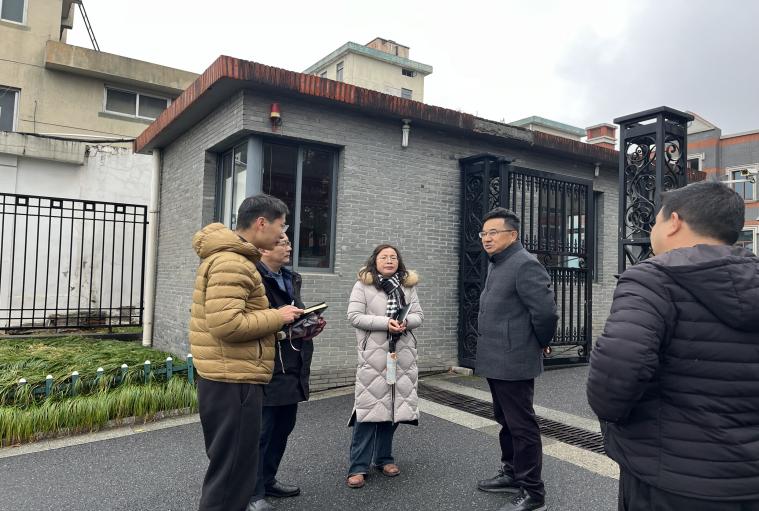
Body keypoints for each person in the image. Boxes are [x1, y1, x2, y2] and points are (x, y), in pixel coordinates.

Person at [587, 181, 759, 511]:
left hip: (672, 478)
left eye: (656, 221)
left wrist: (614, 423)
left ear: (674, 221)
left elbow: (617, 370)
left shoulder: (652, 279)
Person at [189, 194, 303, 511]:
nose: (283, 234)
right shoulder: (233, 262)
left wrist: (280, 330)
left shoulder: (233, 258)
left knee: (232, 470)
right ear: (261, 223)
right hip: (233, 381)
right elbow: (226, 324)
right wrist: (277, 316)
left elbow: (233, 320)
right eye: (281, 226)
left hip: (229, 377)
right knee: (231, 475)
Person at [475, 208, 558, 511]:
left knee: (522, 426)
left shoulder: (525, 264)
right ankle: (512, 472)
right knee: (505, 420)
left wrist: (542, 342)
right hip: (496, 358)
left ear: (512, 234)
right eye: (484, 233)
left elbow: (546, 313)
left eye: (493, 233)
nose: (487, 238)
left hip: (514, 358)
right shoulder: (499, 263)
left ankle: (533, 492)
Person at [247, 234, 326, 511]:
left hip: (293, 362)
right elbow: (247, 320)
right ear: (263, 248)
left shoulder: (291, 277)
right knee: (261, 432)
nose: (289, 247)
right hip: (266, 364)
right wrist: (278, 316)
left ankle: (268, 481)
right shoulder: (253, 277)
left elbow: (291, 317)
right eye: (282, 242)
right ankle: (252, 493)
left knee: (283, 427)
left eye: (289, 242)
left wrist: (308, 322)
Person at [345, 244, 424, 489]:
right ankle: (358, 466)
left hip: (402, 355)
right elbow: (354, 316)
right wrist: (385, 322)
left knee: (393, 407)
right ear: (375, 261)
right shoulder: (363, 285)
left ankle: (383, 458)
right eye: (384, 257)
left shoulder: (408, 286)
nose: (389, 260)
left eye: (393, 257)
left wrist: (405, 322)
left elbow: (418, 315)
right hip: (374, 355)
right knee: (368, 409)